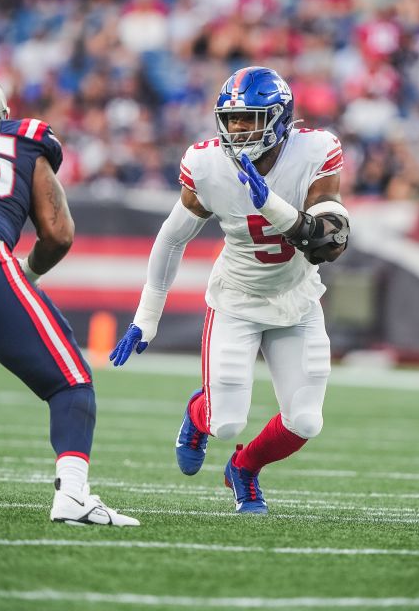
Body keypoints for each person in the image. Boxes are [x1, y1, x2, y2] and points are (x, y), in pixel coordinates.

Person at [109, 66, 350, 514]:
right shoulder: (207, 163)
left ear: (279, 119)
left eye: (250, 118)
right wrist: (147, 316)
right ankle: (199, 412)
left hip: (296, 298)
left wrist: (271, 205)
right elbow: (171, 237)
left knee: (305, 421)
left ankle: (244, 468)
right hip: (236, 299)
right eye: (231, 118)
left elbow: (328, 242)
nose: (238, 128)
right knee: (225, 422)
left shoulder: (315, 151)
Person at [0, 67, 139, 526]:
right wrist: (24, 275)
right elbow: (58, 234)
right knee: (70, 383)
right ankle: (73, 496)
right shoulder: (23, 137)